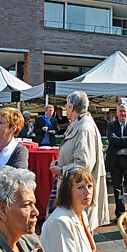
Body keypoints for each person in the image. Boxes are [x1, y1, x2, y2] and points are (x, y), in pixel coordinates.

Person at [49, 91, 109, 230]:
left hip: (80, 194)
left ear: (71, 107)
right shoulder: (79, 124)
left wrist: (61, 170)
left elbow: (83, 165)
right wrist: (59, 163)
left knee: (79, 236)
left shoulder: (84, 128)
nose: (65, 108)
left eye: (66, 105)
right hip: (75, 192)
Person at [105, 103, 127, 222]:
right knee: (117, 188)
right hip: (116, 160)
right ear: (117, 113)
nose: (122, 113)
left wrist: (120, 141)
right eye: (120, 111)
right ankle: (120, 214)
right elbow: (111, 139)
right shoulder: (111, 125)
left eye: (124, 111)